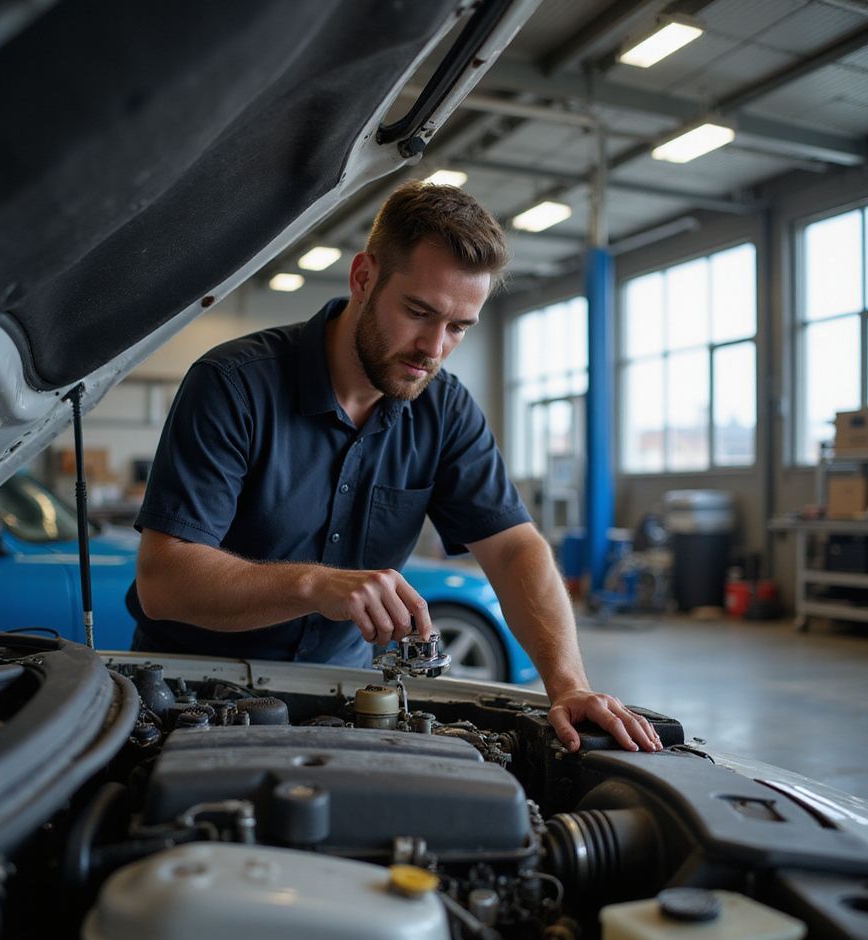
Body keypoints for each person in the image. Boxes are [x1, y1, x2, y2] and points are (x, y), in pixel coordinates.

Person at [128, 181, 661, 754]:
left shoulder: (445, 408)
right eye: (418, 312)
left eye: (459, 327)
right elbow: (165, 581)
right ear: (363, 278)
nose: (434, 347)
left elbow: (512, 549)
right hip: (193, 696)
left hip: (343, 697)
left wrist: (569, 685)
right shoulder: (235, 385)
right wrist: (313, 583)